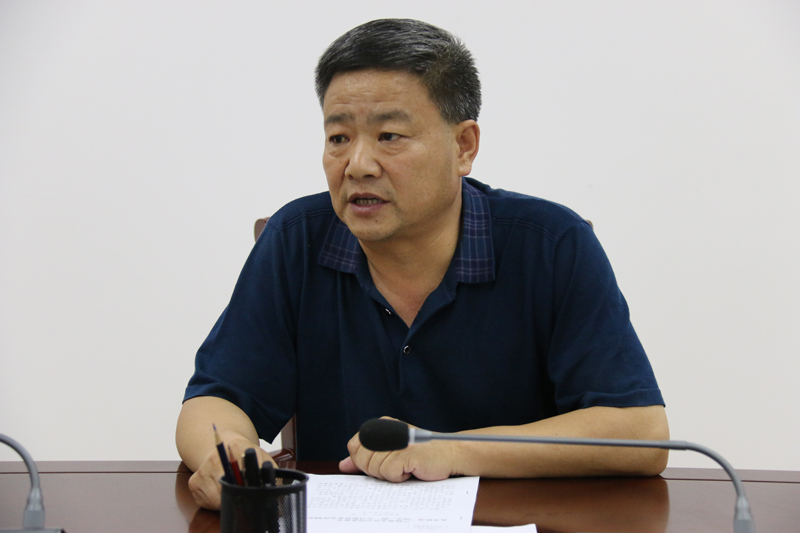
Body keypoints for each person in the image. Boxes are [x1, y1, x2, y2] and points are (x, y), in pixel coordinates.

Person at [176, 18, 669, 510]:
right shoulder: (296, 239)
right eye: (339, 138)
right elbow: (215, 400)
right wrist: (228, 453)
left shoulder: (551, 244)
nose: (358, 165)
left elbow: (640, 434)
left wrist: (449, 449)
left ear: (463, 146)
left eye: (389, 135)